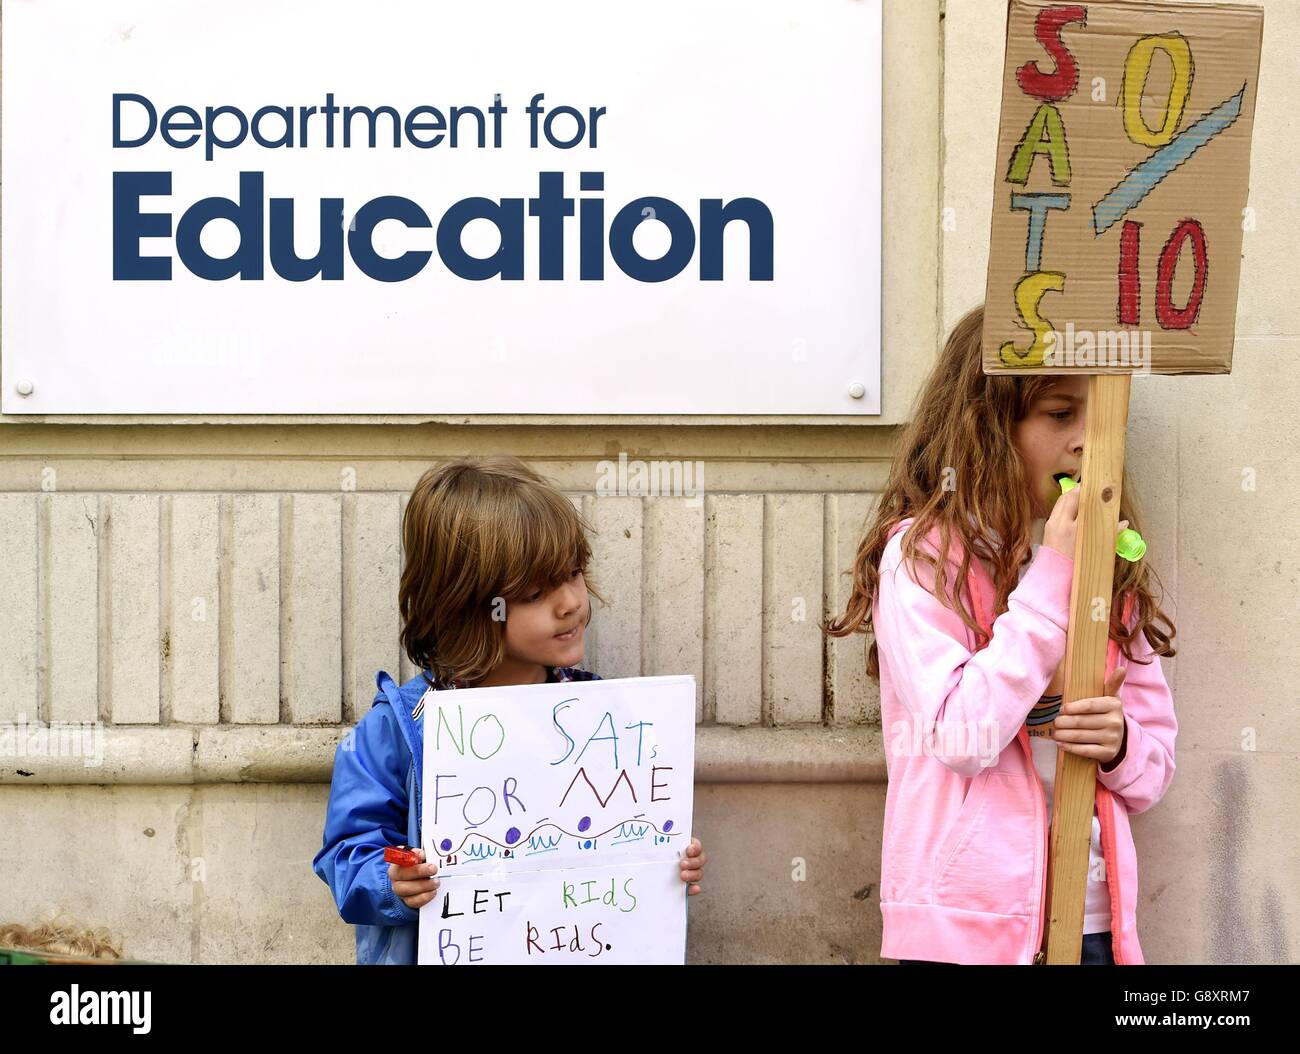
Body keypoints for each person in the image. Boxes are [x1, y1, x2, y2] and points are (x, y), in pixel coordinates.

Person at [826, 306, 1177, 965]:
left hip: (1090, 918)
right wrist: (1056, 575)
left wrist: (1121, 745)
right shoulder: (923, 559)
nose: (1085, 440)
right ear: (989, 425)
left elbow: (1155, 769)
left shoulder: (1110, 564)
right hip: (966, 930)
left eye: (1100, 419)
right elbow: (962, 737)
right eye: (1059, 414)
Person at [313, 455, 707, 964]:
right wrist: (392, 882)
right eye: (536, 592)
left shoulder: (605, 719)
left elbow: (627, 845)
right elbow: (345, 854)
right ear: (468, 604)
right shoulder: (400, 725)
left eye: (574, 573)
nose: (569, 602)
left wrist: (668, 860)